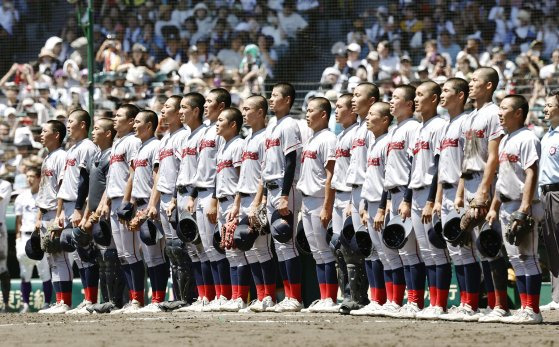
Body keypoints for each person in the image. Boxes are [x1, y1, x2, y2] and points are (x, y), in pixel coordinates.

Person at [455, 67, 509, 322]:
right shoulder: (470, 117)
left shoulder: (494, 113)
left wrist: (483, 192)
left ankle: (501, 305)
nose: (470, 82)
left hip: (487, 183)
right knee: (478, 248)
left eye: (475, 80)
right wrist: (462, 192)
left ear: (489, 86)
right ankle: (488, 304)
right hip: (471, 182)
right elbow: (466, 159)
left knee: (491, 244)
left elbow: (494, 157)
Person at [486, 95, 543, 324]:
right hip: (506, 204)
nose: (500, 112)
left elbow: (531, 172)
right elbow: (502, 180)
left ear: (518, 112)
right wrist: (493, 207)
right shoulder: (506, 139)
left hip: (522, 204)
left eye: (505, 108)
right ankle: (525, 308)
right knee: (517, 260)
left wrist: (525, 207)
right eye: (499, 108)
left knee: (529, 258)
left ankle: (533, 310)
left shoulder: (528, 137)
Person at [434, 78, 482, 322]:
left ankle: (471, 304)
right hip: (447, 193)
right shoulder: (445, 125)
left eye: (446, 90)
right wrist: (439, 198)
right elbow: (443, 166)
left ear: (461, 96)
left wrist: (461, 193)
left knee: (467, 250)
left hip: (462, 190)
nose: (442, 94)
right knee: (456, 251)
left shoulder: (466, 122)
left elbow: (468, 161)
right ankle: (464, 302)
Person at [227, 95, 277, 313]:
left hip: (257, 199)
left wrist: (258, 202)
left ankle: (270, 297)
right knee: (250, 251)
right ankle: (259, 296)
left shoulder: (267, 137)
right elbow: (243, 177)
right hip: (245, 197)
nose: (244, 112)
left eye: (248, 109)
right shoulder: (248, 139)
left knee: (263, 250)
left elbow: (264, 175)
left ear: (260, 112)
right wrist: (237, 204)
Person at [351, 102, 401, 317]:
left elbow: (387, 180)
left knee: (390, 254)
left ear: (385, 120)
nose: (368, 118)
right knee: (379, 253)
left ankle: (394, 300)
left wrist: (382, 207)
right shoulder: (374, 142)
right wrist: (363, 205)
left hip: (381, 204)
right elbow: (369, 179)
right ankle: (379, 299)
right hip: (369, 202)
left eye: (372, 114)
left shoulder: (388, 142)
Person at [405, 81, 450, 319]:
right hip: (416, 193)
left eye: (420, 95)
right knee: (424, 251)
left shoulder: (439, 126)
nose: (416, 99)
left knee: (436, 251)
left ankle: (439, 303)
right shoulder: (419, 129)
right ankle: (427, 302)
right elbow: (414, 168)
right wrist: (408, 198)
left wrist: (433, 200)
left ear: (433, 99)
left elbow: (440, 167)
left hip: (430, 193)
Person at [259, 83, 303, 312]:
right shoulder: (272, 127)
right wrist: (266, 196)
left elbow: (291, 161)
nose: (271, 98)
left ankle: (294, 297)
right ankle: (287, 296)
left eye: (275, 95)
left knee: (287, 243)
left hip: (286, 188)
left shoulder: (289, 125)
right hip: (272, 187)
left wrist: (284, 195)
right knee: (279, 245)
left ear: (287, 100)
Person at [381, 84, 422, 317]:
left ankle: (414, 302)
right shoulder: (395, 130)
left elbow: (414, 166)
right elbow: (391, 170)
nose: (391, 101)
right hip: (393, 194)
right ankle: (402, 301)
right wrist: (387, 200)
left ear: (409, 104)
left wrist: (406, 198)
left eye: (395, 97)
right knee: (400, 252)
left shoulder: (412, 128)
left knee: (411, 252)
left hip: (408, 194)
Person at [146, 95, 191, 307]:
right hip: (163, 198)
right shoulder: (164, 139)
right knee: (171, 250)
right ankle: (177, 297)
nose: (163, 111)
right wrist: (153, 203)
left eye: (168, 107)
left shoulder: (184, 136)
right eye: (162, 107)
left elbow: (183, 170)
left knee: (180, 248)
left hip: (177, 197)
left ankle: (187, 297)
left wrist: (173, 198)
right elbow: (158, 175)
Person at [124, 110, 169, 314]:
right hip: (140, 204)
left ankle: (159, 299)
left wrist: (151, 206)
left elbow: (157, 177)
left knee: (156, 254)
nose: (134, 125)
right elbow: (134, 180)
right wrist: (132, 206)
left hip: (152, 206)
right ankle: (154, 300)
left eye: (138, 122)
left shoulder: (155, 146)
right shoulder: (139, 148)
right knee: (149, 257)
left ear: (149, 125)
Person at [296, 97, 338, 313]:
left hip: (320, 200)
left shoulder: (329, 139)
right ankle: (324, 297)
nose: (306, 114)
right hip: (307, 200)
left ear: (323, 114)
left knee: (325, 252)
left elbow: (331, 175)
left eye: (311, 110)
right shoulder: (312, 139)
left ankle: (330, 298)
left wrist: (327, 207)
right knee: (317, 253)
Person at [80, 117, 124, 313]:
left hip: (107, 211)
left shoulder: (111, 155)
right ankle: (106, 299)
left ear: (108, 133)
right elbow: (91, 191)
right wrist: (86, 214)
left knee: (114, 256)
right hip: (96, 212)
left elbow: (110, 184)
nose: (92, 131)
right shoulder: (94, 157)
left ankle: (118, 300)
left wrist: (104, 205)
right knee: (103, 259)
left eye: (97, 128)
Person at [103, 104, 144, 313]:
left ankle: (138, 299)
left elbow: (134, 173)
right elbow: (112, 177)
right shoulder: (118, 142)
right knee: (123, 254)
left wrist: (129, 202)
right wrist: (105, 200)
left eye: (119, 115)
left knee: (132, 253)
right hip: (115, 199)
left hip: (127, 201)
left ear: (131, 121)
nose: (114, 118)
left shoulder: (134, 142)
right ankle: (132, 299)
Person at [341, 82, 377, 315]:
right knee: (354, 248)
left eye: (358, 95)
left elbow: (372, 167)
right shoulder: (356, 130)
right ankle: (360, 298)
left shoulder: (373, 129)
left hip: (368, 192)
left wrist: (363, 201)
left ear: (371, 101)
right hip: (354, 192)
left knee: (373, 248)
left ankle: (378, 298)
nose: (353, 99)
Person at [194, 88, 231, 312]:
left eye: (210, 101)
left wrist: (215, 199)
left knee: (218, 247)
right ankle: (214, 295)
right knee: (207, 249)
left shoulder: (221, 133)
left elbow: (219, 170)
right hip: (200, 192)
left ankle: (225, 295)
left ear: (222, 106)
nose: (206, 105)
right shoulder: (205, 132)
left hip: (213, 193)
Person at [214, 107, 247, 312]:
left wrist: (236, 204)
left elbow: (242, 176)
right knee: (229, 251)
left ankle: (241, 297)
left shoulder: (238, 145)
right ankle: (234, 296)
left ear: (233, 124)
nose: (217, 123)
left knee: (238, 251)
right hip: (222, 202)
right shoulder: (223, 146)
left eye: (221, 120)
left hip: (235, 203)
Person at [36, 120, 70, 314]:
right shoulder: (48, 157)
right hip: (46, 211)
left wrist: (59, 215)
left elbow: (63, 188)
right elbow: (45, 190)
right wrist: (39, 215)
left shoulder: (61, 156)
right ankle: (59, 301)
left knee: (60, 258)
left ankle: (64, 302)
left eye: (45, 131)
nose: (41, 134)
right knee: (52, 259)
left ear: (56, 135)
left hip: (56, 213)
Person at [329, 93, 357, 307]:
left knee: (351, 249)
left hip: (349, 195)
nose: (336, 110)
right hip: (338, 195)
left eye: (340, 106)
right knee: (337, 247)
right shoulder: (341, 135)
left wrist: (350, 199)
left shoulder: (356, 134)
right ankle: (346, 295)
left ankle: (356, 296)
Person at [15, 166, 51, 313]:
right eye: (27, 176)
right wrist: (17, 237)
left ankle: (47, 303)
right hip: (24, 236)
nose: (29, 179)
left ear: (39, 178)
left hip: (40, 236)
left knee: (45, 272)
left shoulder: (45, 195)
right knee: (25, 273)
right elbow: (18, 220)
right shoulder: (21, 197)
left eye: (32, 176)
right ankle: (25, 305)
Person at [539, 90, 559, 311]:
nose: (545, 108)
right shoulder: (547, 135)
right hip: (545, 195)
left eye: (550, 104)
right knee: (552, 245)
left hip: (557, 193)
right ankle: (557, 297)